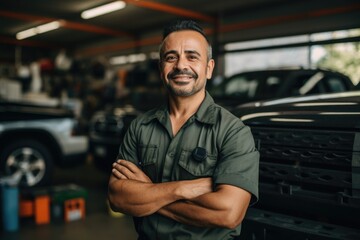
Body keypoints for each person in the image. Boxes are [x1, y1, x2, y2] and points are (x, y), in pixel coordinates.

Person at [108, 19, 259, 240]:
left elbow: (228, 213)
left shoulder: (233, 132)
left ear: (208, 68)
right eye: (171, 57)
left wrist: (149, 192)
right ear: (161, 69)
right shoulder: (140, 126)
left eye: (192, 56)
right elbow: (117, 198)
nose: (180, 65)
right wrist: (180, 189)